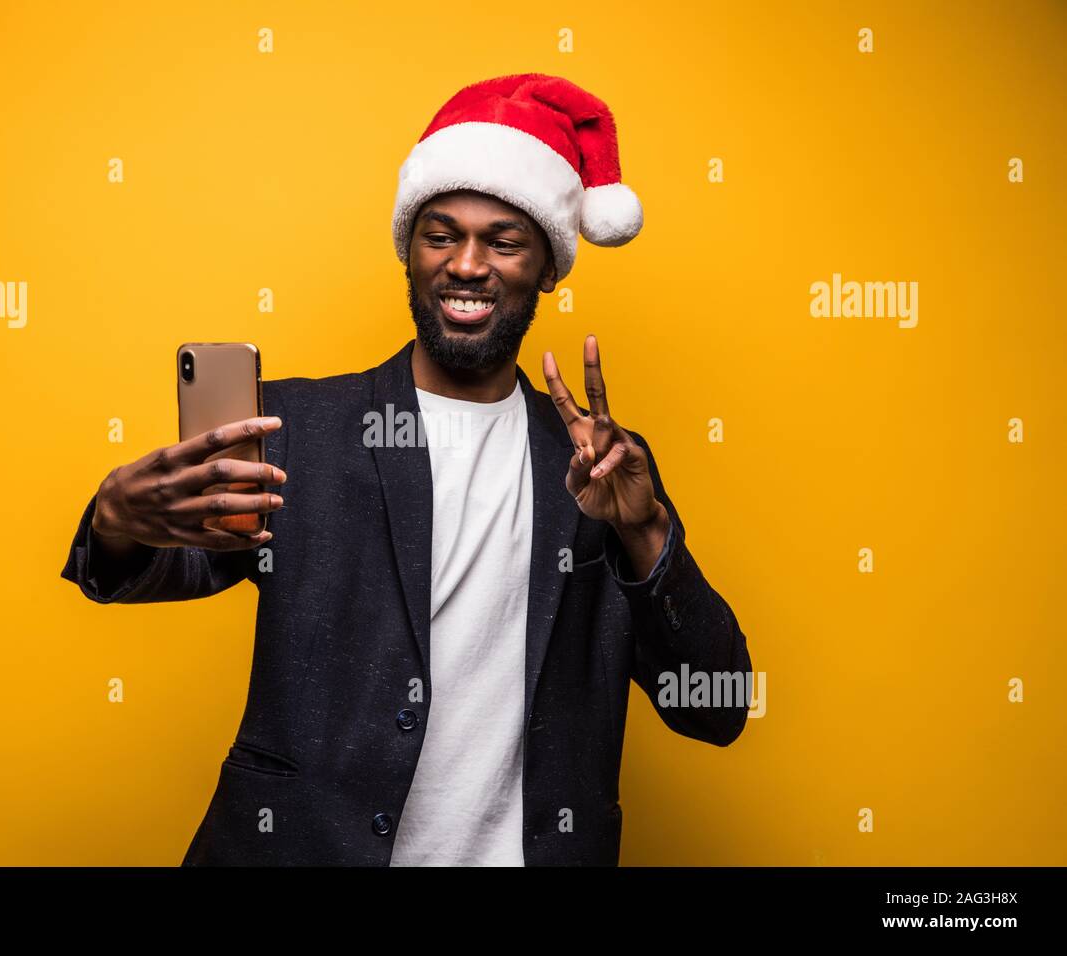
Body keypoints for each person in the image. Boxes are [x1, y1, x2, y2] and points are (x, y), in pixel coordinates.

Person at [60, 73, 753, 866]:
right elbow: (159, 564)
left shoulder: (600, 468)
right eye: (440, 234)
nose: (466, 265)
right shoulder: (295, 430)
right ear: (409, 250)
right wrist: (114, 523)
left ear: (549, 268)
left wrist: (647, 536)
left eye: (503, 240)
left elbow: (716, 707)